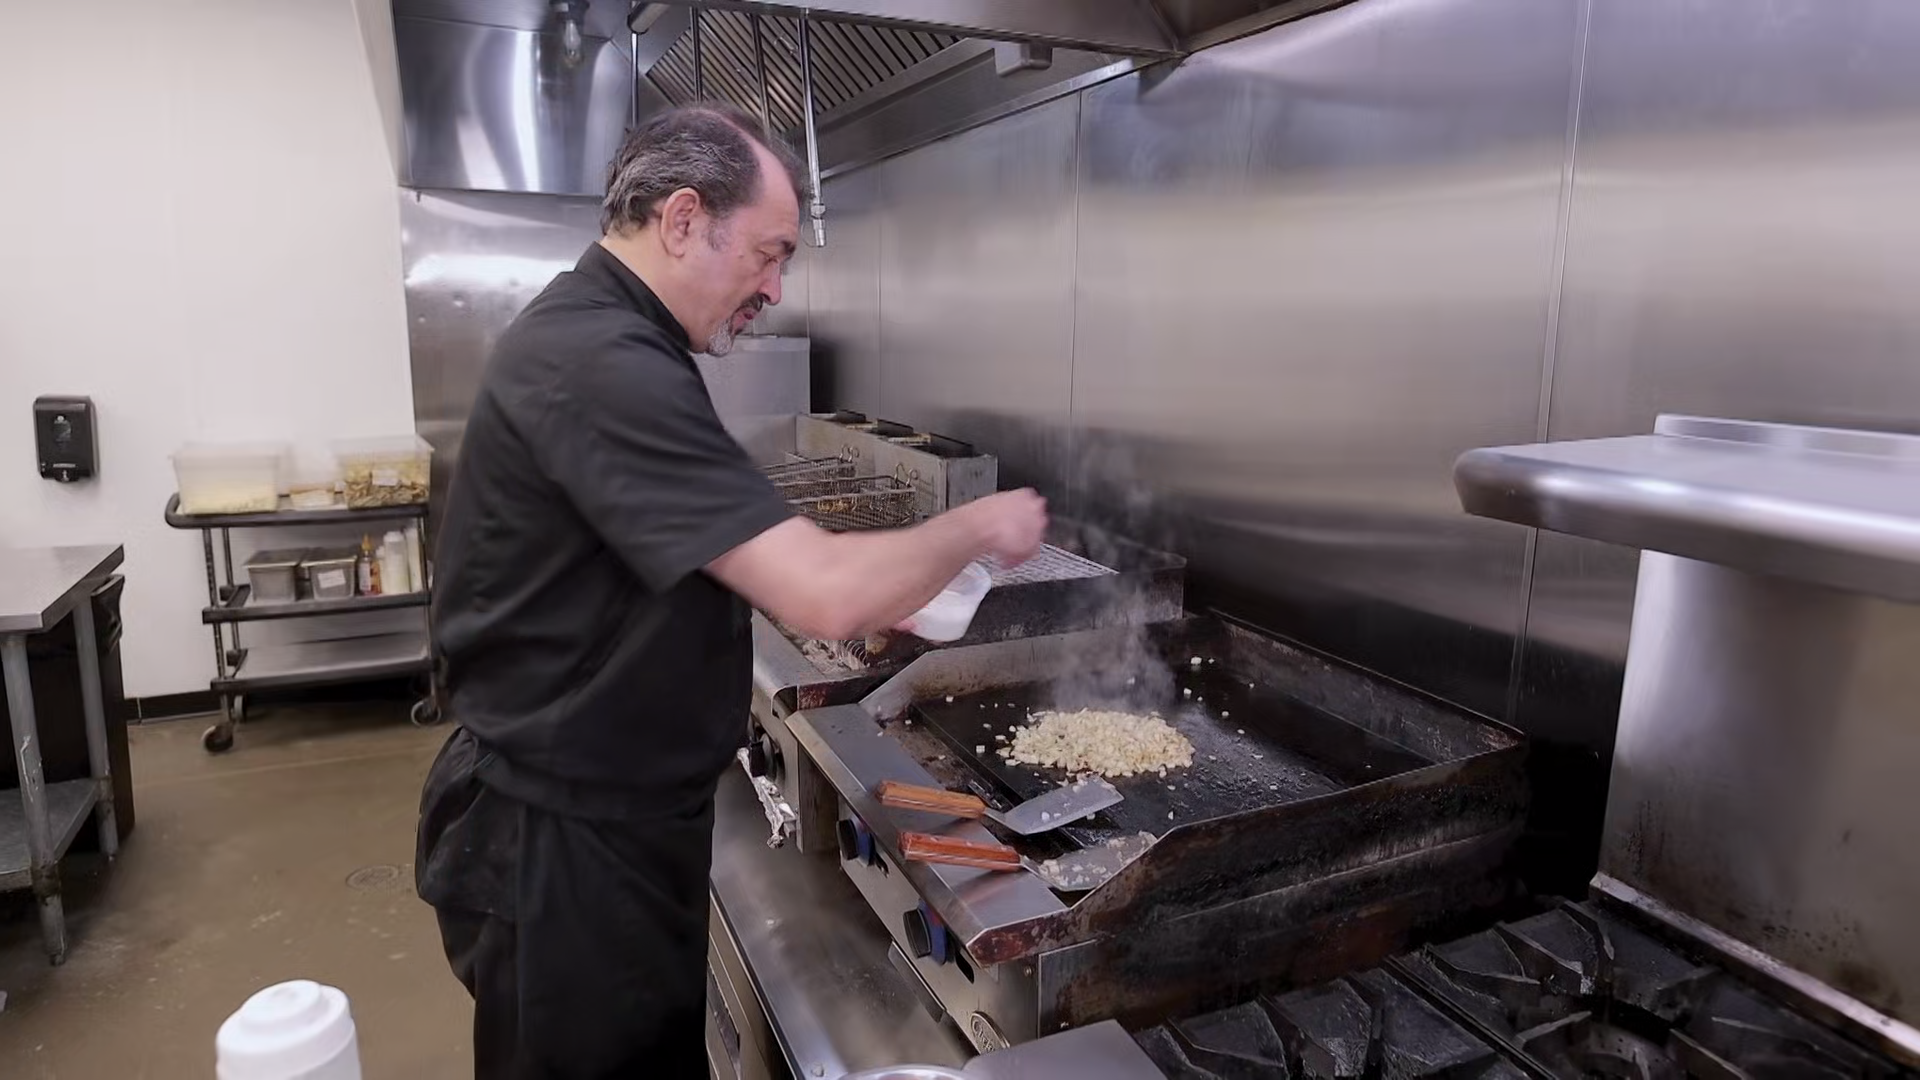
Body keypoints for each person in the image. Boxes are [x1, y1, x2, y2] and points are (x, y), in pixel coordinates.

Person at [414, 103, 1048, 1079]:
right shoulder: (601, 363)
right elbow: (822, 595)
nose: (774, 288)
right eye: (768, 253)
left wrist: (889, 580)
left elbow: (685, 556)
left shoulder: (608, 339)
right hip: (566, 847)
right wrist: (978, 527)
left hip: (600, 819)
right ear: (682, 220)